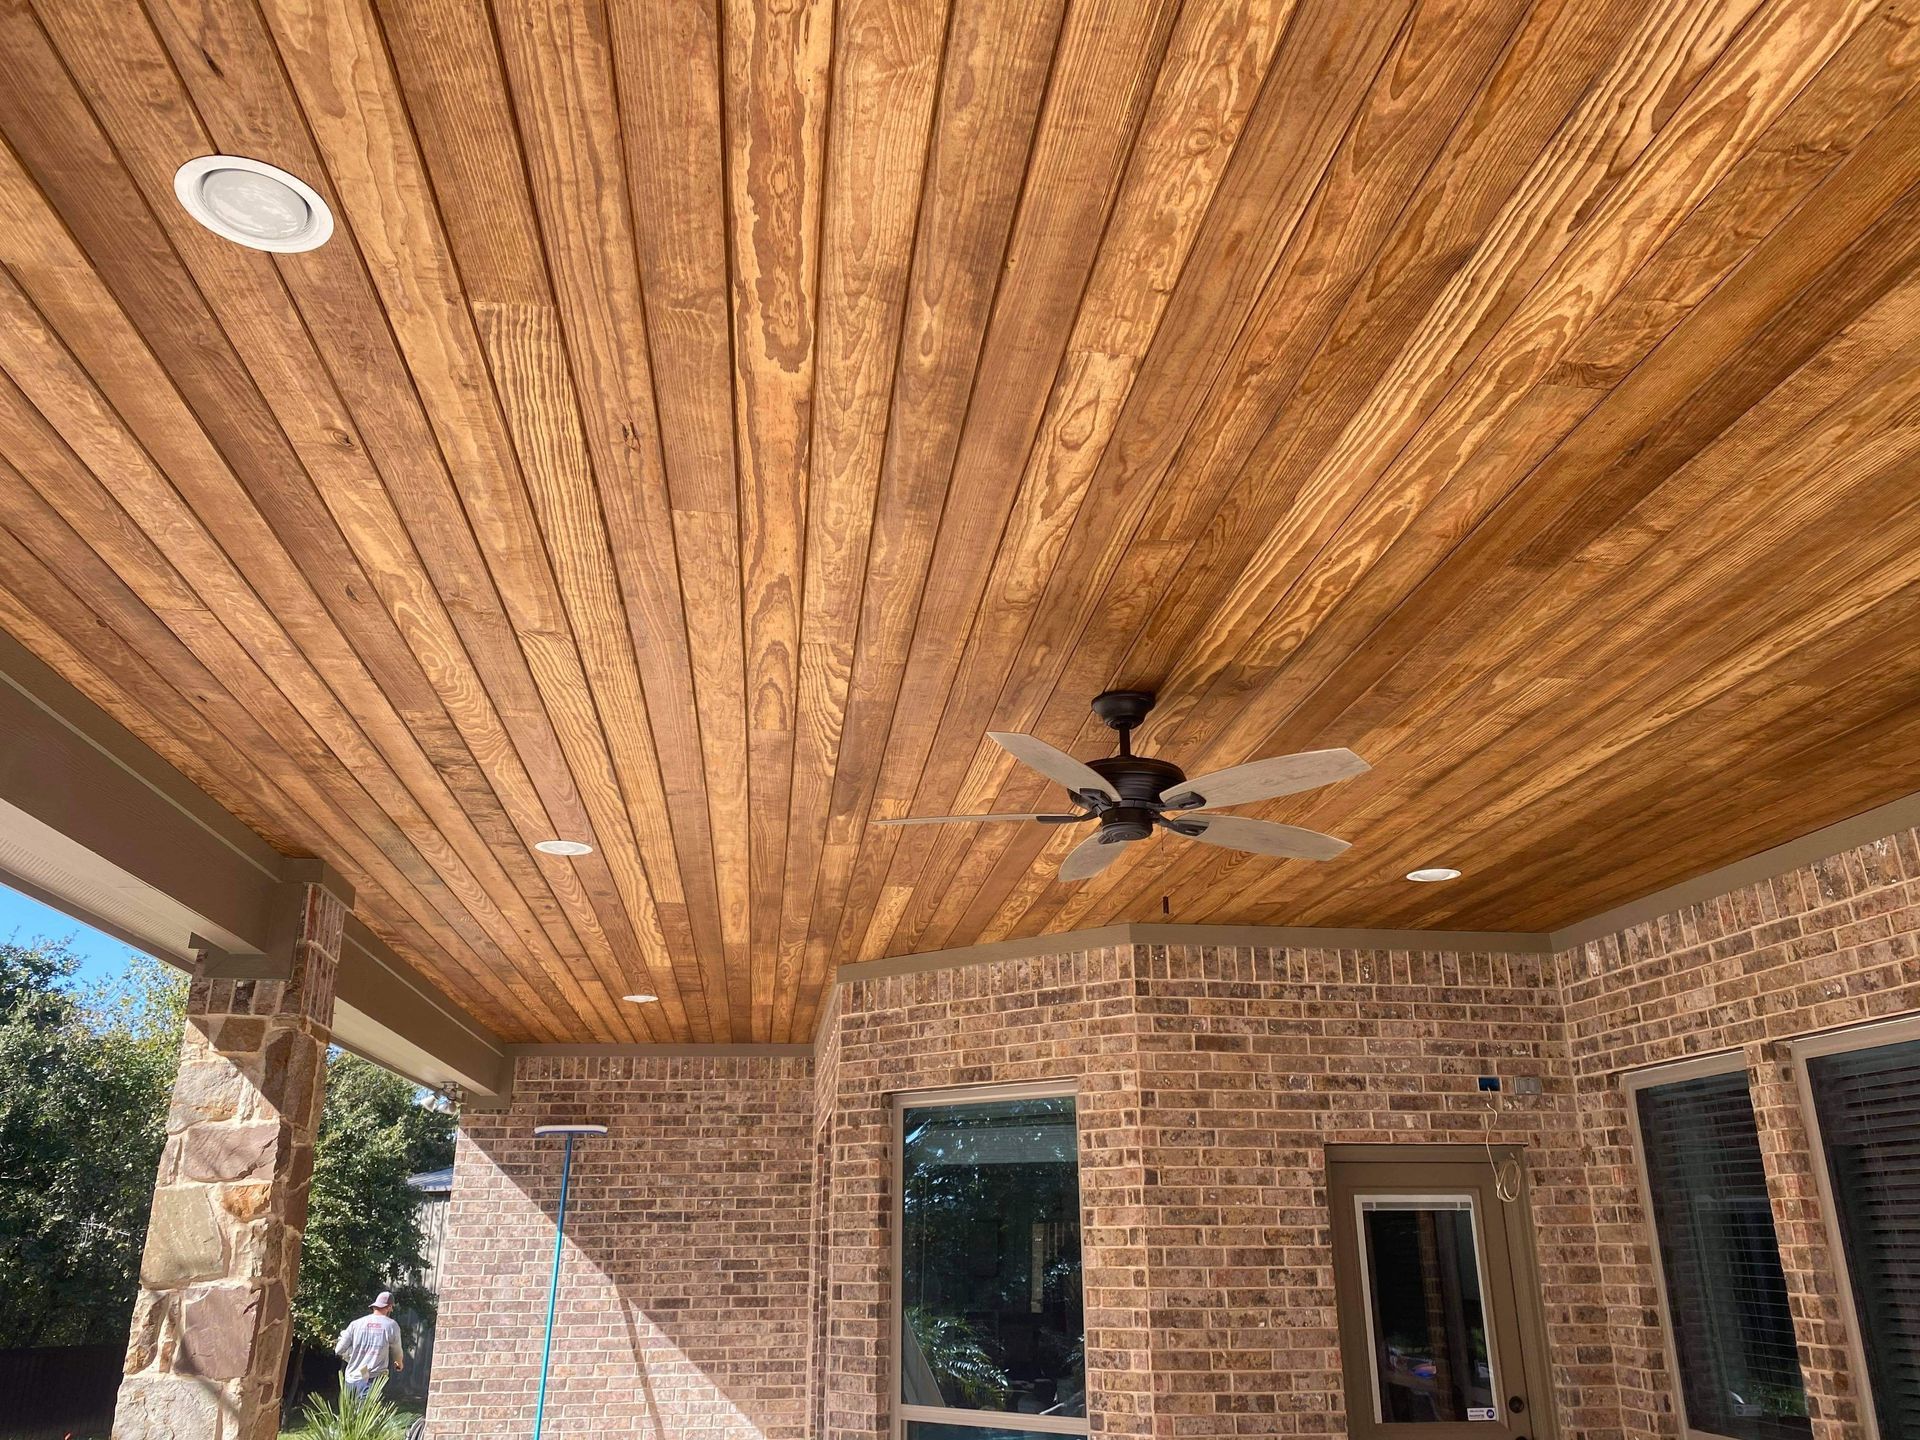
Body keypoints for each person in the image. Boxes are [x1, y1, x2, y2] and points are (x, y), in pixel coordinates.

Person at [334, 1291, 404, 1401]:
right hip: (370, 1380)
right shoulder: (391, 1325)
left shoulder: (355, 1324)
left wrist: (351, 1355)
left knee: (349, 1417)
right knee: (365, 1415)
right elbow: (397, 1350)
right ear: (389, 1307)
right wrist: (398, 1363)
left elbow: (339, 1349)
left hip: (351, 1378)